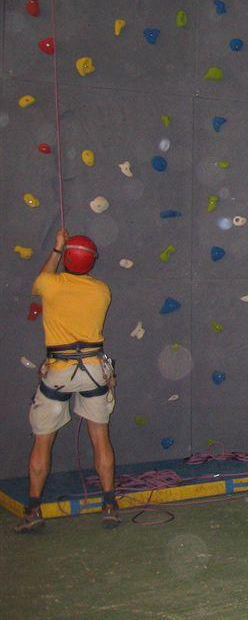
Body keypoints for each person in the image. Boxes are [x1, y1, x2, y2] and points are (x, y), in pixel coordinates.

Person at [16, 228, 118, 533]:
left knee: (42, 441)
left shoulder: (50, 284)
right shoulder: (101, 290)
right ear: (92, 262)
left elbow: (40, 283)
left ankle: (34, 509)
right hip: (92, 369)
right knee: (100, 436)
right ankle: (109, 502)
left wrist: (57, 248)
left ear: (67, 259)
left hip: (60, 372)